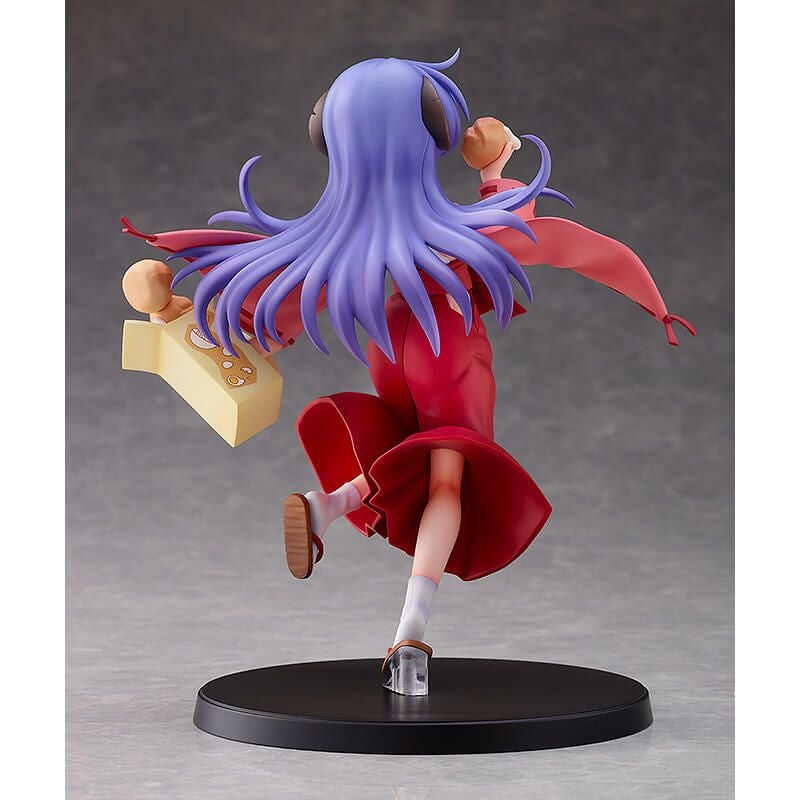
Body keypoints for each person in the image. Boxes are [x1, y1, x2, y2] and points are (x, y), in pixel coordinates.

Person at [122, 52, 693, 695]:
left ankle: (326, 506)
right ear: (434, 128)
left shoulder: (346, 242)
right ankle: (410, 635)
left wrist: (192, 314)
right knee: (447, 480)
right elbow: (536, 236)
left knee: (405, 454)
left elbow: (280, 308)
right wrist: (495, 170)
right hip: (447, 349)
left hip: (390, 344)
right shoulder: (446, 234)